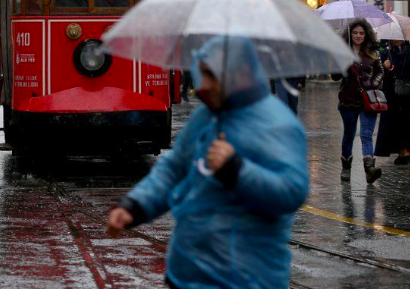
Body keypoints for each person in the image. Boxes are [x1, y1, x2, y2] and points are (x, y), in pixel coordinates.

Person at [106, 36, 308, 288]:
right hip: (186, 274)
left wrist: (236, 170)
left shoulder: (278, 124)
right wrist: (134, 207)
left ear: (241, 73)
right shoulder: (206, 115)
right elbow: (174, 169)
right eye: (202, 74)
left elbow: (291, 191)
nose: (204, 86)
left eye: (212, 76)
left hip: (245, 279)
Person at [332, 18, 384, 184]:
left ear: (366, 34)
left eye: (361, 33)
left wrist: (374, 83)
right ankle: (346, 166)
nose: (358, 36)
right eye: (355, 33)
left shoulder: (372, 52)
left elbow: (380, 71)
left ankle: (369, 169)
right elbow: (334, 76)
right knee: (349, 133)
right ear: (350, 34)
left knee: (366, 135)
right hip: (348, 100)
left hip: (368, 99)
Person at [376, 39, 410, 165]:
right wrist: (385, 67)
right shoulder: (386, 53)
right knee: (395, 121)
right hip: (392, 94)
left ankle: (407, 151)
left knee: (408, 121)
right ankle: (400, 151)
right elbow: (378, 74)